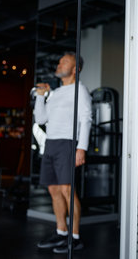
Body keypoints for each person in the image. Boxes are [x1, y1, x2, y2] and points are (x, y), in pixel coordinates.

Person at [34, 52, 92, 253]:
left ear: (75, 69)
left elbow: (86, 119)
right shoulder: (56, 93)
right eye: (59, 61)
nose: (59, 64)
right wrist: (41, 98)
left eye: (64, 62)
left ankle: (74, 237)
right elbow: (40, 120)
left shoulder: (80, 90)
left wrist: (81, 148)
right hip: (51, 144)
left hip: (68, 143)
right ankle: (61, 233)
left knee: (68, 191)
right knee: (54, 190)